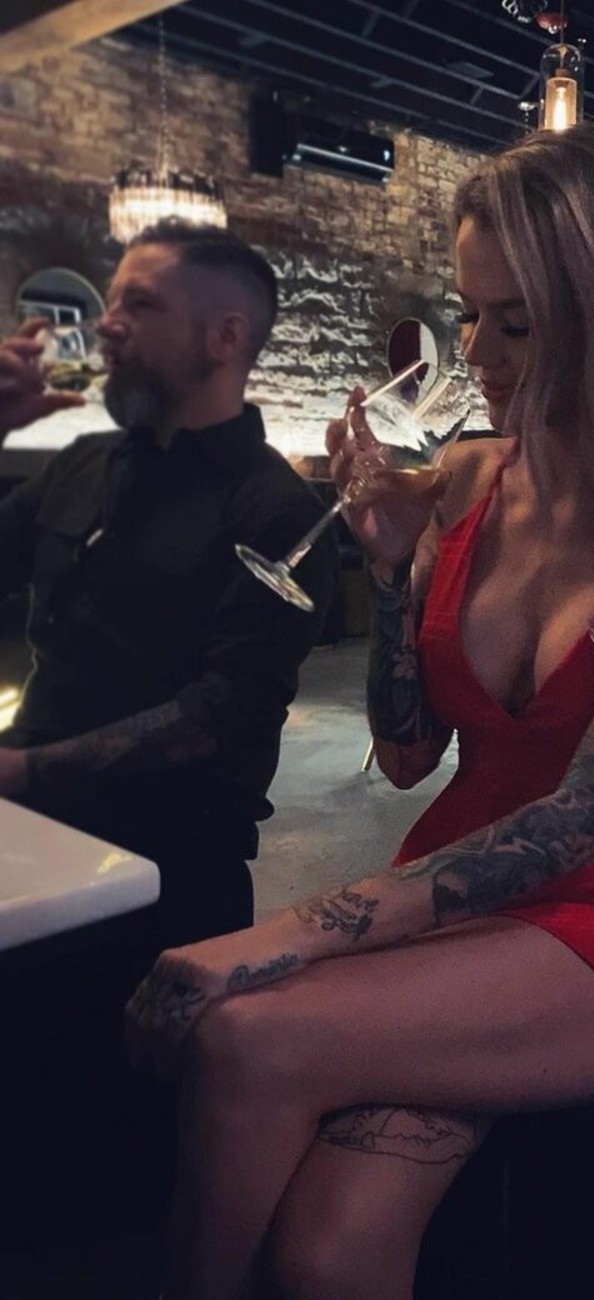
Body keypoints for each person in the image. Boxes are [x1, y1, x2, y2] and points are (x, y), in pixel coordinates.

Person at [127, 125, 594, 1300]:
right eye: (471, 314)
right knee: (328, 1250)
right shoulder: (468, 480)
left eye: (519, 323)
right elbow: (405, 753)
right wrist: (392, 573)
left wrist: (291, 933)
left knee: (246, 1034)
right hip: (465, 884)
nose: (479, 354)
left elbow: (580, 824)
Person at [0, 221, 338, 1246]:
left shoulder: (275, 508)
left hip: (164, 877)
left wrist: (23, 769)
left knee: (104, 1181)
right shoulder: (83, 465)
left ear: (224, 337)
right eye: (112, 300)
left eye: (138, 303)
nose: (105, 323)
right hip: (30, 841)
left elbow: (222, 714)